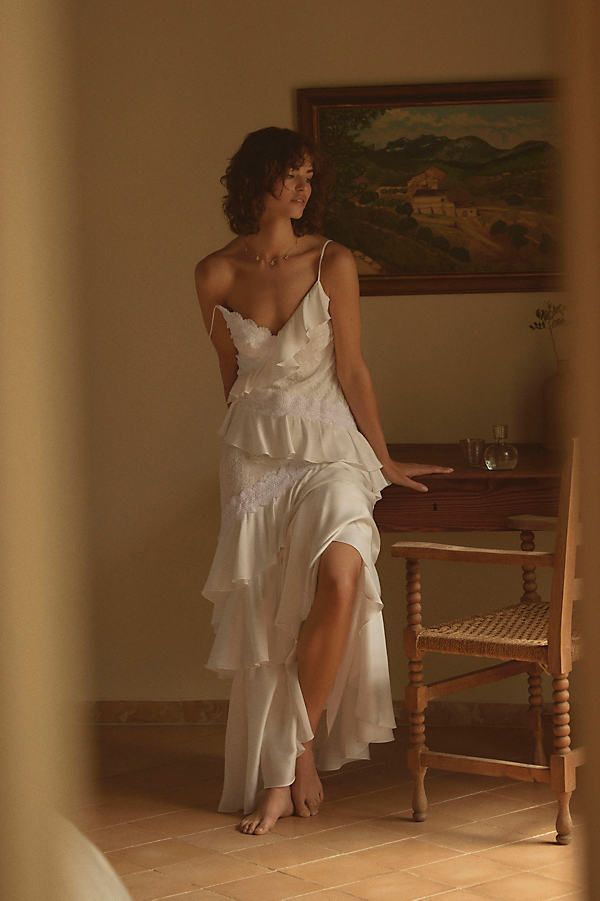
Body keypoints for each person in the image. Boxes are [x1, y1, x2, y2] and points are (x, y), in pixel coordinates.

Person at [194, 126, 453, 836]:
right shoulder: (213, 273)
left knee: (340, 579)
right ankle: (301, 757)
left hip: (330, 451)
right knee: (278, 611)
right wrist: (242, 470)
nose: (304, 189)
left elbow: (353, 369)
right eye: (292, 176)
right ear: (257, 180)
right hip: (254, 459)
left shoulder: (333, 260)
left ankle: (282, 765)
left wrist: (386, 458)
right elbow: (232, 379)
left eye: (310, 178)